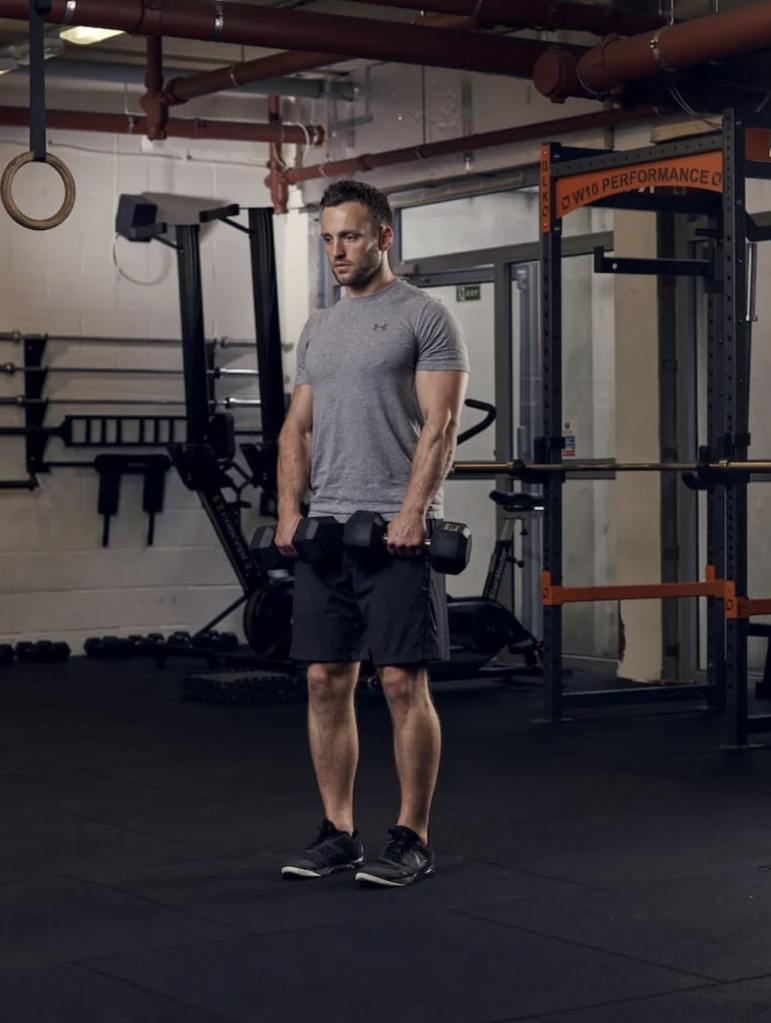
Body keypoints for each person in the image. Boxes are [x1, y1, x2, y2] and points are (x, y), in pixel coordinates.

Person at [276, 179, 469, 888]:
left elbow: (441, 425)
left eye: (350, 235)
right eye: (327, 237)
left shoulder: (425, 316)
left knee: (399, 681)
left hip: (394, 531)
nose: (337, 250)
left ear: (383, 236)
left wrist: (414, 510)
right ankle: (338, 831)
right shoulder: (318, 328)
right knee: (325, 679)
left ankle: (411, 834)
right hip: (326, 528)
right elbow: (296, 426)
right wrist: (288, 508)